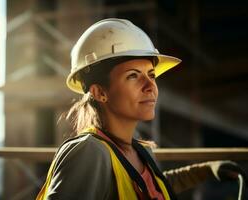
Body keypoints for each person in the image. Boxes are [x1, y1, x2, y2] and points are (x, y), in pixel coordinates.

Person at [36, 18, 246, 200]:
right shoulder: (90, 153)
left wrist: (205, 170)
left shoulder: (140, 151)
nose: (150, 86)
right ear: (100, 93)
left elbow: (152, 188)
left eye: (151, 75)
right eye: (133, 76)